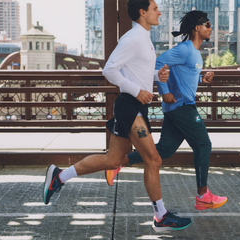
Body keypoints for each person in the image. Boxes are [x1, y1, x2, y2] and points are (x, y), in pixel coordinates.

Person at [43, 0, 192, 232]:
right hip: (129, 106)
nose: (159, 12)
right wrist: (137, 90)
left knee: (113, 160)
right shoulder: (131, 39)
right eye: (155, 8)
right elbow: (109, 69)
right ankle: (160, 216)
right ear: (143, 12)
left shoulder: (143, 38)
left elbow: (135, 70)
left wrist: (156, 76)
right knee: (154, 159)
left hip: (135, 105)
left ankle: (59, 176)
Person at [105, 10, 228, 211]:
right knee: (203, 144)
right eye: (207, 24)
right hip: (181, 107)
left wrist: (200, 79)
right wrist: (164, 91)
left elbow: (184, 75)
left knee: (164, 150)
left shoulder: (196, 52)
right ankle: (202, 195)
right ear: (197, 28)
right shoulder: (185, 49)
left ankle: (118, 164)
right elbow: (159, 64)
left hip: (179, 107)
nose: (210, 28)